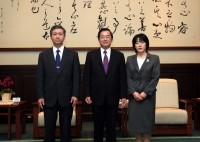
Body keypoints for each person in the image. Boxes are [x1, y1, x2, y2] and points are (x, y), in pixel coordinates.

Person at [36, 25, 80, 142]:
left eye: (60, 34)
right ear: (51, 36)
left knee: (66, 129)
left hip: (67, 97)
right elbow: (40, 77)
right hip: (49, 97)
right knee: (49, 129)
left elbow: (76, 77)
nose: (57, 36)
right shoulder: (43, 55)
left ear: (64, 36)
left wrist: (75, 94)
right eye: (55, 34)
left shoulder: (73, 55)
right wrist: (40, 96)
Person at [84, 28, 127, 142]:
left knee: (111, 127)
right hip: (96, 97)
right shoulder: (91, 55)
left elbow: (122, 77)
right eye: (102, 37)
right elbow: (87, 76)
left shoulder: (119, 56)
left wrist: (123, 96)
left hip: (113, 97)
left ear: (111, 39)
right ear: (98, 39)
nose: (105, 39)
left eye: (107, 36)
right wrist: (87, 94)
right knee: (97, 127)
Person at [126, 33, 160, 142]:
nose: (139, 45)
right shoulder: (130, 59)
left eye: (142, 42)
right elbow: (128, 77)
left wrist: (145, 93)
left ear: (146, 44)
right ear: (134, 46)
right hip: (134, 97)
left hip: (148, 97)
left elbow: (155, 78)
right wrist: (134, 92)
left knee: (146, 125)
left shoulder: (154, 58)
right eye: (136, 43)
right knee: (136, 125)